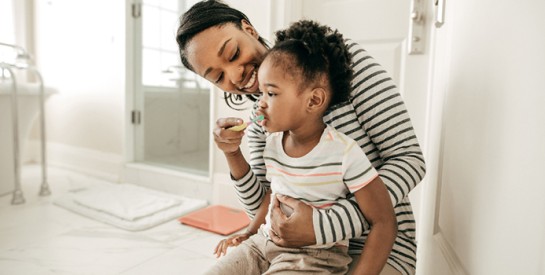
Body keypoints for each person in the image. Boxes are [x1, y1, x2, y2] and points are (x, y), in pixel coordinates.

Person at [176, 1, 426, 274]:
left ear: (248, 29)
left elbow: (409, 159)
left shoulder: (337, 63)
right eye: (218, 77)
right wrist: (232, 154)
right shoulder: (263, 121)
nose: (235, 75)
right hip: (285, 250)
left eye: (234, 53)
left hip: (375, 249)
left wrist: (324, 225)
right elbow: (266, 208)